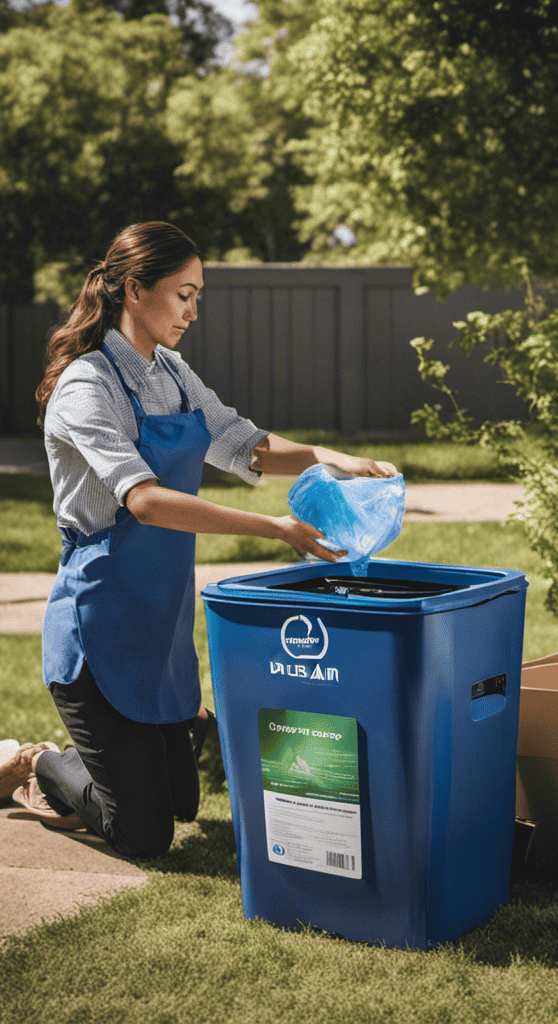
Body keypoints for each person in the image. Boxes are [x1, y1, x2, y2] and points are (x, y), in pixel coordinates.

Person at [4, 220, 397, 857]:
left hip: (158, 627)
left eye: (199, 295)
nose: (194, 310)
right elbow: (149, 502)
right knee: (145, 834)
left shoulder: (173, 373)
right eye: (184, 294)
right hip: (96, 628)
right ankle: (41, 762)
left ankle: (152, 742)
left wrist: (332, 456)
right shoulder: (88, 384)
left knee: (184, 805)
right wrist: (275, 527)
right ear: (135, 289)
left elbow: (246, 446)